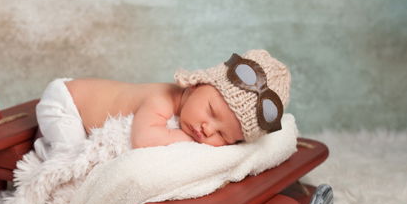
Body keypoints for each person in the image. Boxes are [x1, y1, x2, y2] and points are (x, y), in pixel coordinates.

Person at [32, 49, 290, 160]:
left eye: (223, 135)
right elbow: (144, 139)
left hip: (77, 100)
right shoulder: (161, 99)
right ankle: (42, 152)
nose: (207, 129)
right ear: (196, 84)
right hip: (68, 101)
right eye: (211, 112)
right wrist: (188, 141)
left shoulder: (188, 109)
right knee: (70, 154)